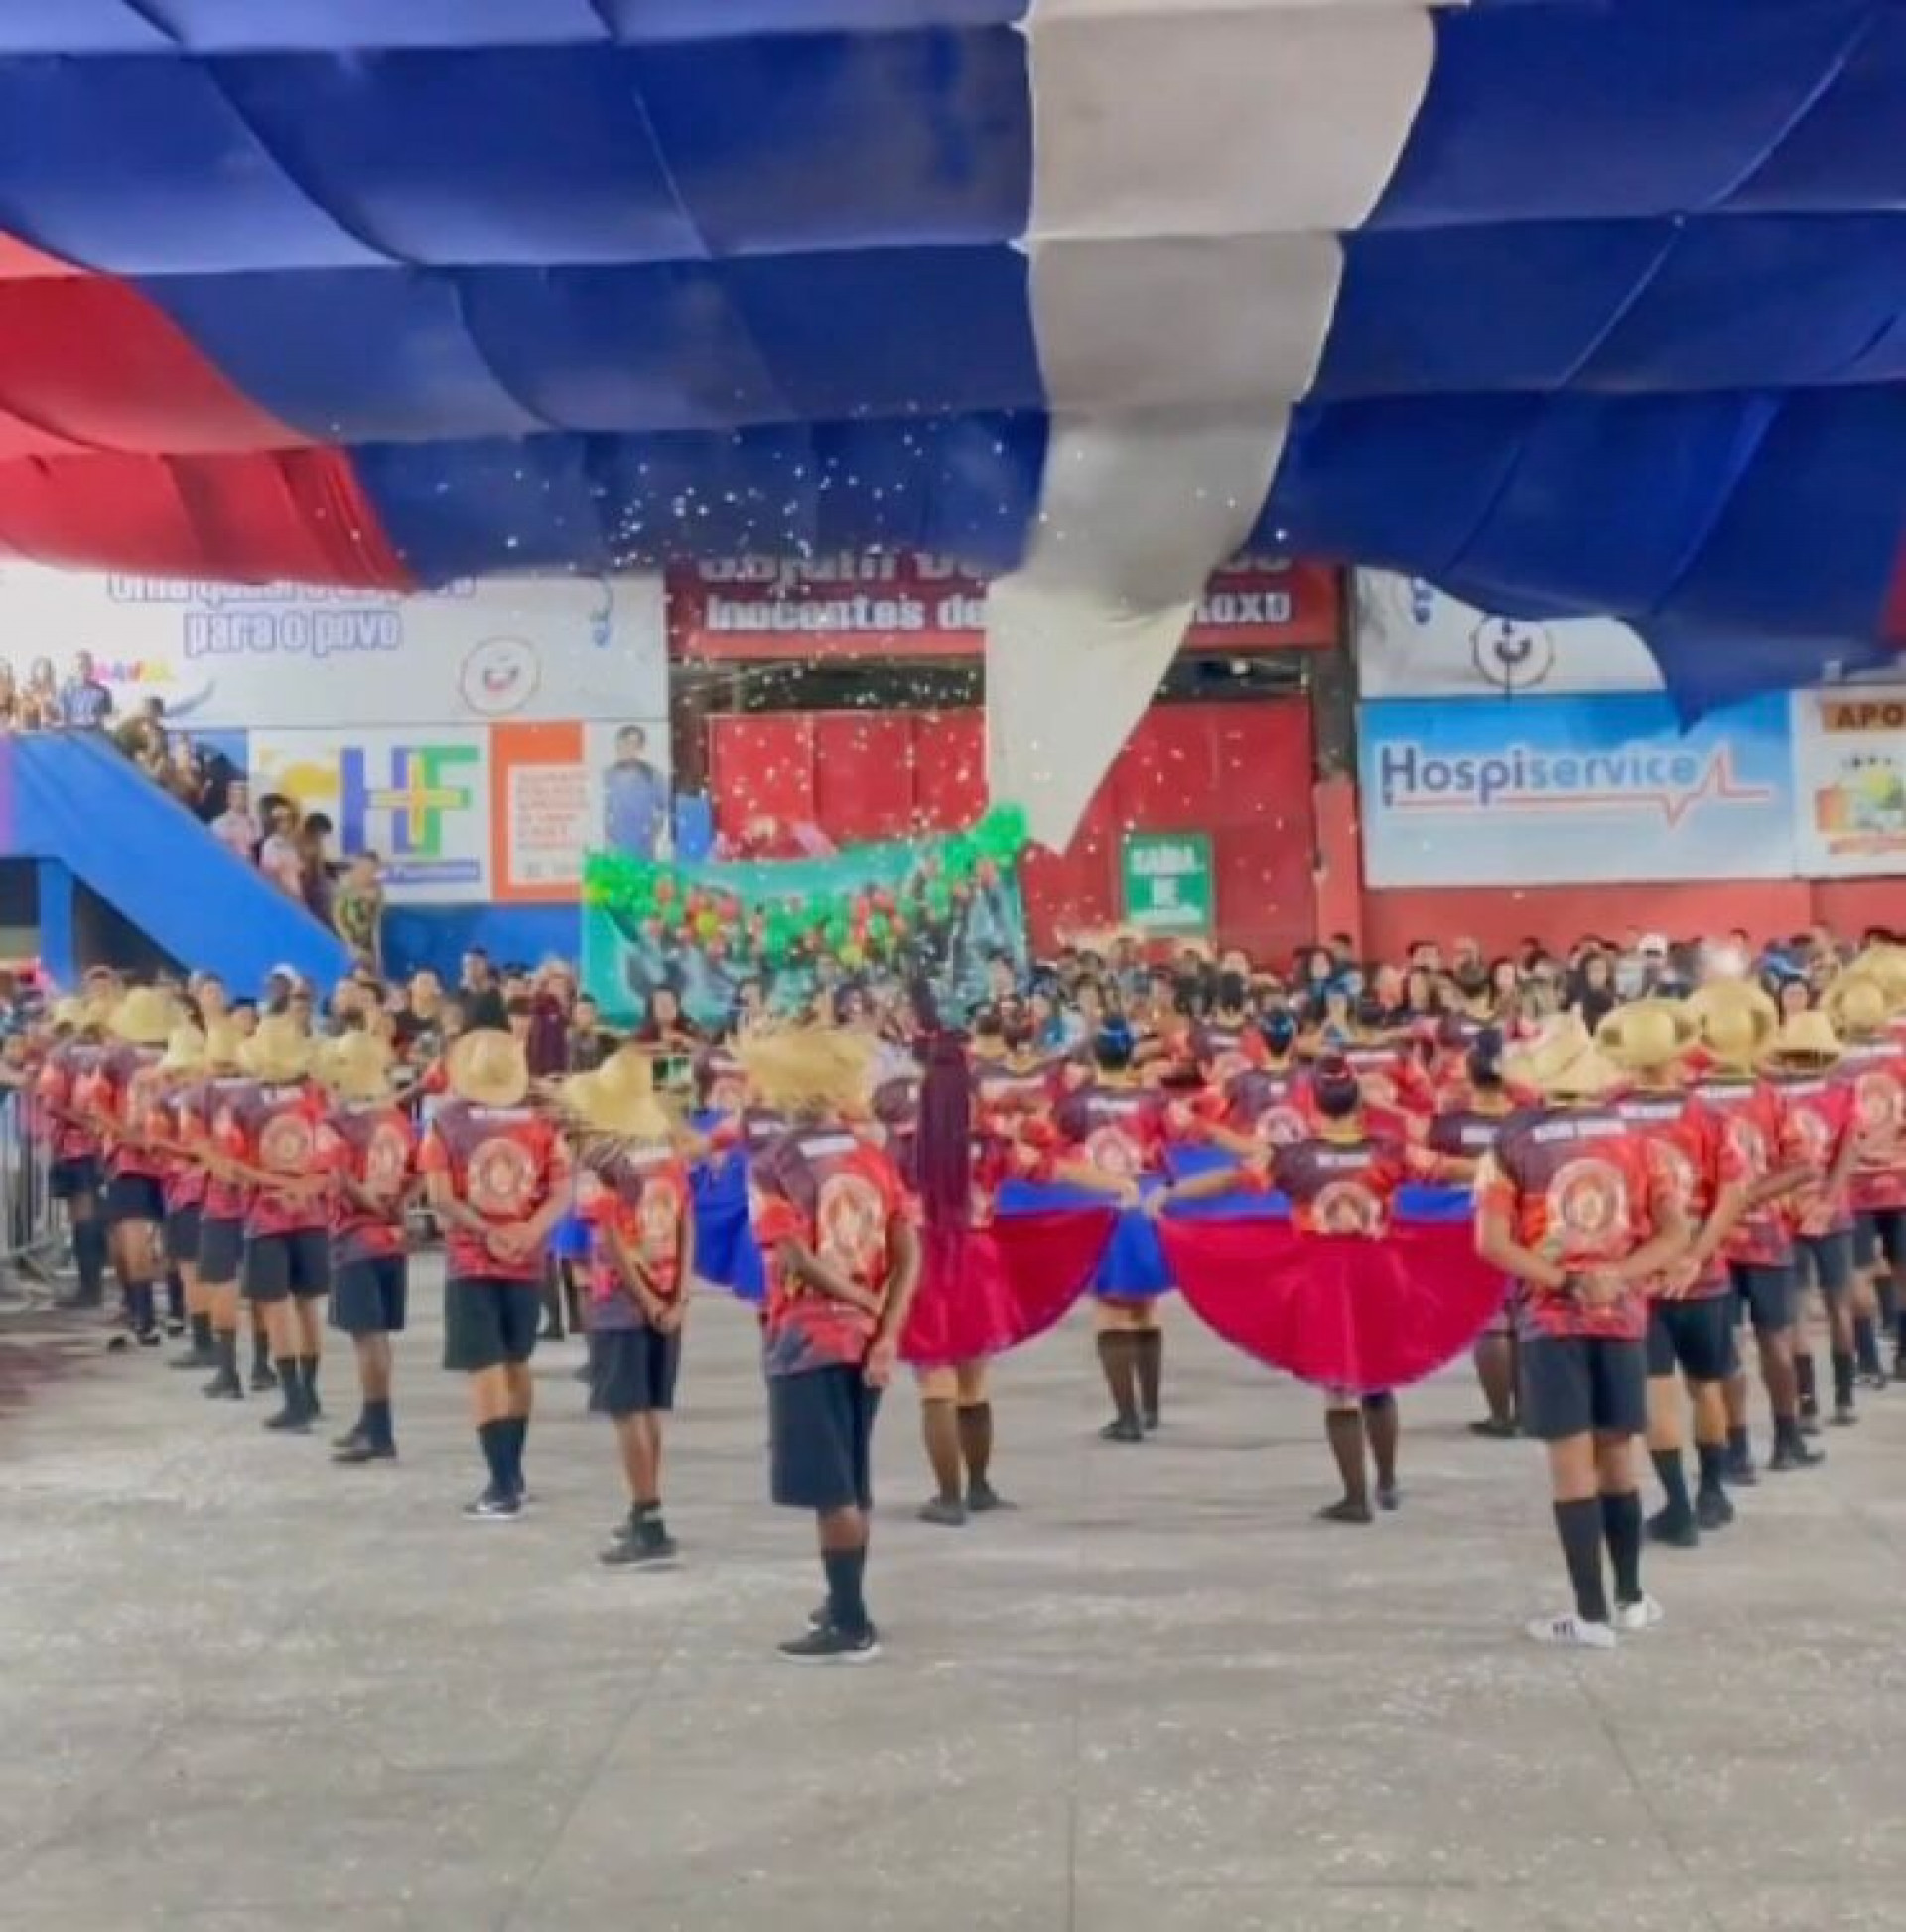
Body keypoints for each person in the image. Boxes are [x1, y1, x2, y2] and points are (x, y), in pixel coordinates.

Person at [1475, 1017, 1687, 1649]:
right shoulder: (1641, 1139)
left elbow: (1491, 1243)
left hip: (1550, 1320)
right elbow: (1675, 1231)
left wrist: (1566, 1282)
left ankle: (1588, 1616)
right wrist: (1617, 1275)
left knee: (1571, 1466)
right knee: (1618, 1456)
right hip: (1622, 1316)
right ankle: (1629, 1599)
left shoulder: (1510, 1141)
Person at [744, 1026, 921, 1662]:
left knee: (831, 1489)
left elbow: (790, 1251)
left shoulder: (776, 1164)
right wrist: (887, 1327)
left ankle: (850, 1621)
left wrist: (850, 1296)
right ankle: (845, 1596)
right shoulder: (874, 1154)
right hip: (867, 1339)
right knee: (854, 1475)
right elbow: (909, 1251)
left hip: (806, 1337)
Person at [1598, 999, 1749, 1545]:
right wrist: (1697, 1254)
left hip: (1639, 1275)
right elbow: (1734, 1192)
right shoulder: (1707, 1115)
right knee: (1706, 1386)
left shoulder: (1605, 1115)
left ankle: (1677, 1508)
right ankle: (1713, 1488)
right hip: (1701, 1276)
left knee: (1657, 1392)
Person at [419, 1029, 572, 1520]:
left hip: (473, 1259)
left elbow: (441, 1198)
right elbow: (562, 1189)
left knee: (483, 1369)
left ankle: (500, 1482)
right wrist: (528, 1229)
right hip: (526, 1258)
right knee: (516, 1362)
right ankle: (517, 1473)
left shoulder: (446, 1124)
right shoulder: (540, 1122)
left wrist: (486, 1231)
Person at [562, 1048, 693, 1567]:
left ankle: (648, 1513)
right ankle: (647, 1507)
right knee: (648, 1410)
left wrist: (644, 1297)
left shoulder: (602, 1157)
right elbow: (687, 1222)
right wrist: (676, 1296)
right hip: (665, 1288)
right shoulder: (667, 1149)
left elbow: (611, 1237)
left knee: (627, 1410)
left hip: (621, 1298)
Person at [217, 1015, 332, 1432]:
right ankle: (312, 1390)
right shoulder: (314, 1098)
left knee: (276, 1307)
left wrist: (275, 1183)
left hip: (266, 1215)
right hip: (311, 1212)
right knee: (307, 1307)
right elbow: (331, 1159)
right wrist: (304, 1186)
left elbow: (233, 1165)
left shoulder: (243, 1102)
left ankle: (293, 1398)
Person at [316, 1033, 415, 1465]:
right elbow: (421, 1171)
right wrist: (400, 1206)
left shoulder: (337, 1123)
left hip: (355, 1234)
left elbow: (338, 1178)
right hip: (391, 1237)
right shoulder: (396, 1118)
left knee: (366, 1337)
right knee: (380, 1336)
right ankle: (372, 1419)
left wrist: (369, 1204)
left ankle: (379, 1429)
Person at [602, 724, 668, 860]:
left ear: (641, 747)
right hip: (615, 848)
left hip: (643, 848)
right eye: (624, 743)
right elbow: (601, 810)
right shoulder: (607, 776)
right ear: (618, 744)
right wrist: (608, 835)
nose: (628, 748)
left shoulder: (653, 776)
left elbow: (664, 808)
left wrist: (653, 833)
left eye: (633, 744)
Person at [333, 853, 385, 971]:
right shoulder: (344, 886)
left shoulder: (378, 891)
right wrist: (349, 944)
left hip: (365, 943)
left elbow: (375, 924)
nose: (368, 873)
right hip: (344, 940)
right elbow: (337, 918)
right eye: (365, 868)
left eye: (372, 870)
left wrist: (377, 953)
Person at [58, 650, 112, 730]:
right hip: (72, 737)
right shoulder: (63, 693)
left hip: (95, 736)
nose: (84, 670)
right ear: (72, 669)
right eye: (80, 667)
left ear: (92, 668)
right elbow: (62, 719)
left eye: (87, 666)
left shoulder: (103, 692)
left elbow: (108, 718)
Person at [459, 949, 508, 1033]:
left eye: (475, 963)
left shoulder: (500, 997)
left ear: (486, 965)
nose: (470, 968)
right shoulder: (459, 997)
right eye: (466, 965)